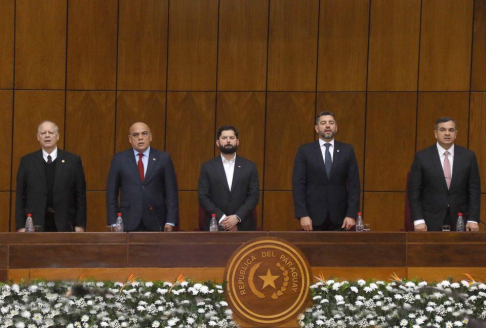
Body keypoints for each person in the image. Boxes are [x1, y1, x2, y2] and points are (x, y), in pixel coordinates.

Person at [409, 117, 480, 232]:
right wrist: (418, 220)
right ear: (436, 133)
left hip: (460, 219)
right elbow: (414, 191)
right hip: (429, 220)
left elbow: (474, 190)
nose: (447, 133)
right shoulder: (422, 157)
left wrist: (473, 219)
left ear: (456, 134)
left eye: (451, 130)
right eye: (442, 130)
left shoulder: (468, 157)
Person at [292, 111, 360, 231]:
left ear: (336, 128)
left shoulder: (347, 150)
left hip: (341, 217)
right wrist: (302, 214)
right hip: (312, 218)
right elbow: (298, 184)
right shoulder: (305, 151)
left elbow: (354, 185)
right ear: (317, 128)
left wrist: (351, 214)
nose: (328, 126)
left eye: (331, 123)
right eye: (323, 123)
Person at [16, 121, 87, 232]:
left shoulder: (73, 161)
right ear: (38, 137)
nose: (47, 135)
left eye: (51, 132)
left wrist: (80, 225)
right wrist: (20, 226)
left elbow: (80, 195)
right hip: (35, 224)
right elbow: (20, 196)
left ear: (57, 136)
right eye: (43, 133)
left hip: (65, 223)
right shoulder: (27, 161)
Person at [106, 122, 178, 231]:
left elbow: (171, 192)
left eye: (144, 134)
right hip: (127, 220)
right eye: (136, 135)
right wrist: (113, 222)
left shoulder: (163, 159)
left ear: (150, 137)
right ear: (130, 139)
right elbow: (111, 193)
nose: (140, 138)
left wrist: (170, 221)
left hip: (157, 219)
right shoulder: (119, 159)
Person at [198, 125, 259, 231]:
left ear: (237, 141)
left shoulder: (250, 167)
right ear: (218, 143)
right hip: (215, 225)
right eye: (224, 138)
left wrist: (237, 217)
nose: (228, 141)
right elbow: (203, 196)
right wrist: (222, 218)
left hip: (243, 226)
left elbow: (253, 196)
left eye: (231, 138)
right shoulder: (207, 167)